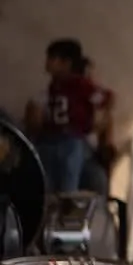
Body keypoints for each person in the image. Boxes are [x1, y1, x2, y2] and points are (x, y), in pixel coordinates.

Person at [25, 39, 110, 193]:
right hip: (54, 144)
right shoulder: (50, 93)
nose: (47, 63)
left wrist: (96, 122)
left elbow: (106, 101)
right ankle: (54, 200)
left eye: (51, 59)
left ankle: (68, 196)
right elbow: (34, 125)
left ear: (66, 63)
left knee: (79, 156)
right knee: (55, 152)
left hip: (81, 148)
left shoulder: (83, 89)